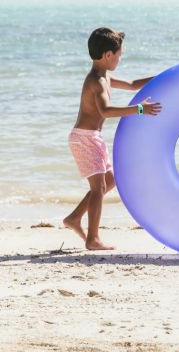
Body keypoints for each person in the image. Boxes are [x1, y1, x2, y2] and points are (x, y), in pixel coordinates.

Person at [65, 27, 161, 250]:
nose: (120, 58)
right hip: (84, 139)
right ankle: (93, 239)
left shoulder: (106, 77)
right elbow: (106, 111)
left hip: (92, 137)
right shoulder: (96, 81)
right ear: (108, 55)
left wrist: (164, 76)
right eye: (119, 54)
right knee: (98, 188)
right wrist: (139, 109)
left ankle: (74, 218)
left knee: (110, 182)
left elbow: (132, 85)